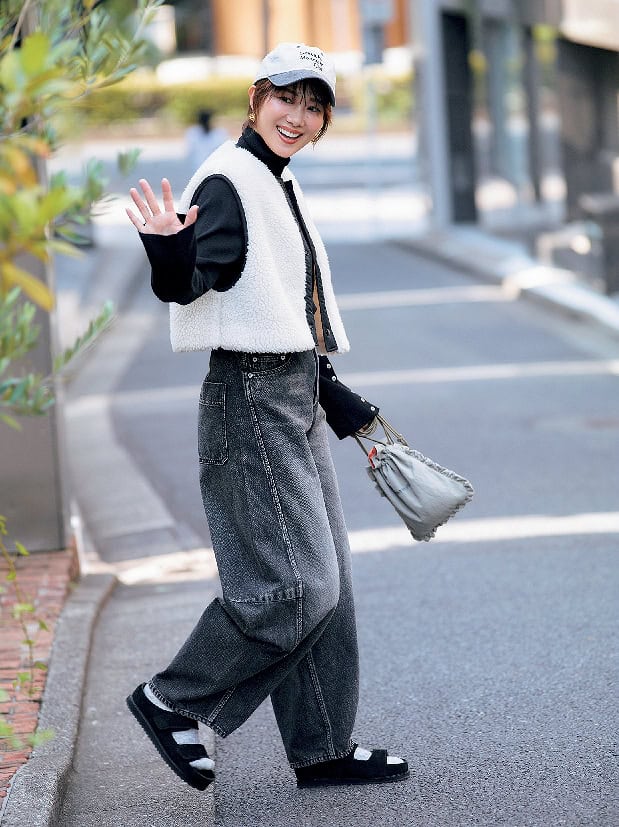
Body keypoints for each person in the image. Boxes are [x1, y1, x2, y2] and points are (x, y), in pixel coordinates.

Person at [125, 42, 409, 790]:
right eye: (286, 98)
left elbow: (277, 304)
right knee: (296, 585)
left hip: (293, 392)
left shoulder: (274, 178)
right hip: (251, 400)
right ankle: (172, 698)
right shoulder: (229, 180)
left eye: (314, 106)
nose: (298, 117)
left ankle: (322, 748)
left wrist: (337, 400)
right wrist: (167, 249)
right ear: (256, 99)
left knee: (330, 583)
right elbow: (191, 282)